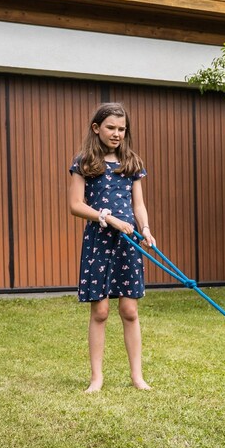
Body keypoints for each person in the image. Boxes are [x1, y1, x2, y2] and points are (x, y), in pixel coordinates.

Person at [68, 102, 157, 392]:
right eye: (111, 128)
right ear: (96, 128)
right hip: (99, 242)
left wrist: (145, 229)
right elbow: (75, 206)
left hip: (128, 242)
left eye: (122, 129)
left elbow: (138, 204)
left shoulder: (132, 163)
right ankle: (97, 378)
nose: (117, 134)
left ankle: (137, 377)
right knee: (101, 311)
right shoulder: (84, 162)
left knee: (130, 310)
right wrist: (108, 218)